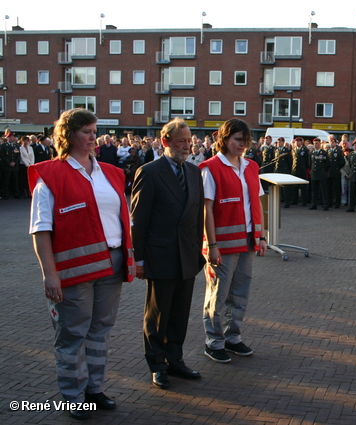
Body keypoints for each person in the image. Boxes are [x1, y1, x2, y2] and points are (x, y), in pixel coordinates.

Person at [28, 108, 134, 420]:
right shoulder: (50, 175)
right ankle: (73, 396)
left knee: (100, 330)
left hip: (111, 263)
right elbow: (41, 229)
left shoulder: (112, 173)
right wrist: (50, 274)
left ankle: (95, 389)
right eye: (85, 131)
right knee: (72, 333)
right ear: (68, 134)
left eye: (93, 130)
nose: (92, 137)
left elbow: (121, 219)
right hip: (73, 271)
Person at [131, 118, 205, 390]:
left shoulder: (195, 173)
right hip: (160, 255)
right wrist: (138, 259)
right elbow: (138, 218)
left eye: (189, 141)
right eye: (181, 141)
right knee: (158, 314)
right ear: (165, 142)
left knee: (180, 313)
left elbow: (198, 215)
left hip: (187, 255)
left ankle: (175, 360)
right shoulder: (149, 172)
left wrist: (199, 250)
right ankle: (157, 364)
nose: (187, 146)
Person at [200, 118, 267, 363]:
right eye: (238, 140)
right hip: (222, 245)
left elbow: (257, 203)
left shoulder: (251, 167)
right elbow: (206, 210)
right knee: (217, 294)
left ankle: (232, 337)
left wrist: (261, 236)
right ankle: (214, 341)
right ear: (225, 140)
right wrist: (212, 245)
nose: (242, 144)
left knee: (239, 293)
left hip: (247, 241)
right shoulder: (210, 168)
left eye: (245, 140)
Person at [309, 138, 330, 211]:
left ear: (320, 144)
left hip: (321, 174)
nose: (315, 145)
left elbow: (327, 164)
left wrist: (323, 171)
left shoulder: (323, 153)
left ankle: (325, 204)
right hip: (314, 173)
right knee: (314, 190)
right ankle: (314, 204)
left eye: (317, 143)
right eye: (314, 143)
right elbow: (310, 163)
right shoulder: (312, 153)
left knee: (323, 190)